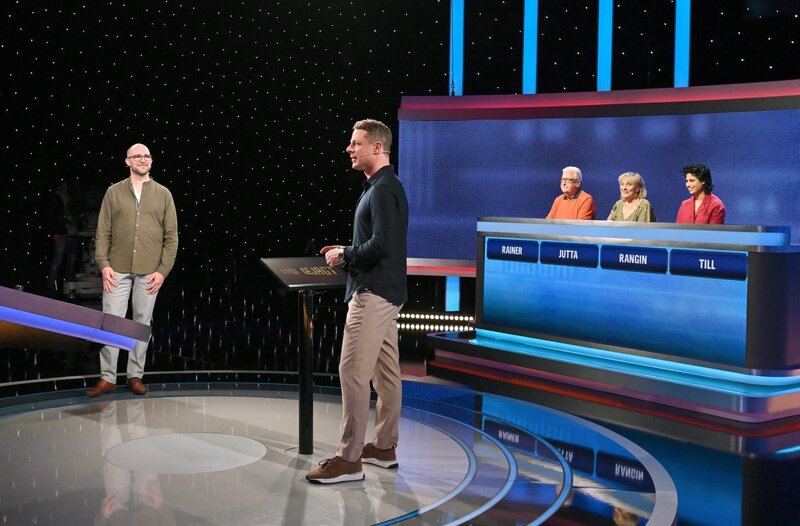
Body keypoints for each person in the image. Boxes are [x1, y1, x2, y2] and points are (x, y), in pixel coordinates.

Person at [306, 119, 408, 484]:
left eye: (355, 143)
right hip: (384, 292)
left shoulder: (383, 190)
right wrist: (346, 250)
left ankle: (349, 459)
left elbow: (383, 245)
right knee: (386, 374)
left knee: (352, 373)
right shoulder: (381, 187)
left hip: (373, 295)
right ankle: (383, 447)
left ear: (377, 148)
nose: (349, 149)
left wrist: (344, 255)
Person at [86, 144, 178, 397]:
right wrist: (104, 265)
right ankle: (107, 378)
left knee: (141, 324)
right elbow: (102, 232)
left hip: (150, 271)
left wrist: (162, 271)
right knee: (111, 322)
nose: (142, 159)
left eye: (146, 156)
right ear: (127, 161)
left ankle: (135, 375)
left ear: (151, 161)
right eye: (137, 156)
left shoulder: (163, 194)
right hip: (116, 269)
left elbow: (172, 237)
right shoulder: (113, 192)